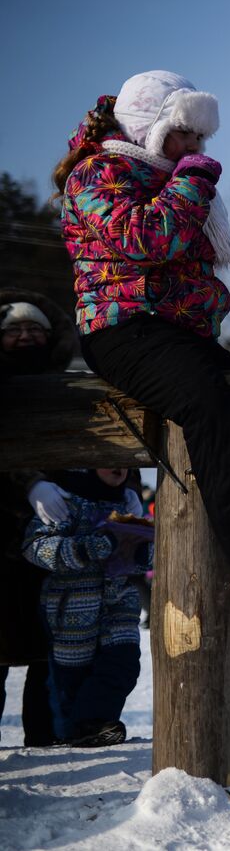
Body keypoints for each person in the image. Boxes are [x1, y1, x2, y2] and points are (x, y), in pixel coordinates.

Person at [53, 71, 230, 633]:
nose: (194, 149)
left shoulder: (168, 179)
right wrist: (191, 182)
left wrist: (185, 182)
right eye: (183, 135)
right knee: (209, 407)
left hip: (179, 333)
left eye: (199, 140)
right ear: (148, 128)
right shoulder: (99, 173)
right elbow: (148, 238)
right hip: (121, 328)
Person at [21, 468, 151, 747]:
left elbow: (148, 552)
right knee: (71, 677)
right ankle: (70, 730)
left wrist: (143, 553)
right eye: (107, 460)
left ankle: (94, 723)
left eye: (124, 462)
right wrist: (86, 548)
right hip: (71, 609)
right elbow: (35, 546)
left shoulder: (127, 505)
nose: (119, 467)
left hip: (119, 603)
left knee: (124, 664)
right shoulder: (66, 502)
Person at [0, 291, 74, 746]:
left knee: (51, 645)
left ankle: (45, 741)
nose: (26, 336)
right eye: (14, 330)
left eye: (35, 329)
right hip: (2, 534)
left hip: (55, 536)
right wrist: (28, 482)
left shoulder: (73, 385)